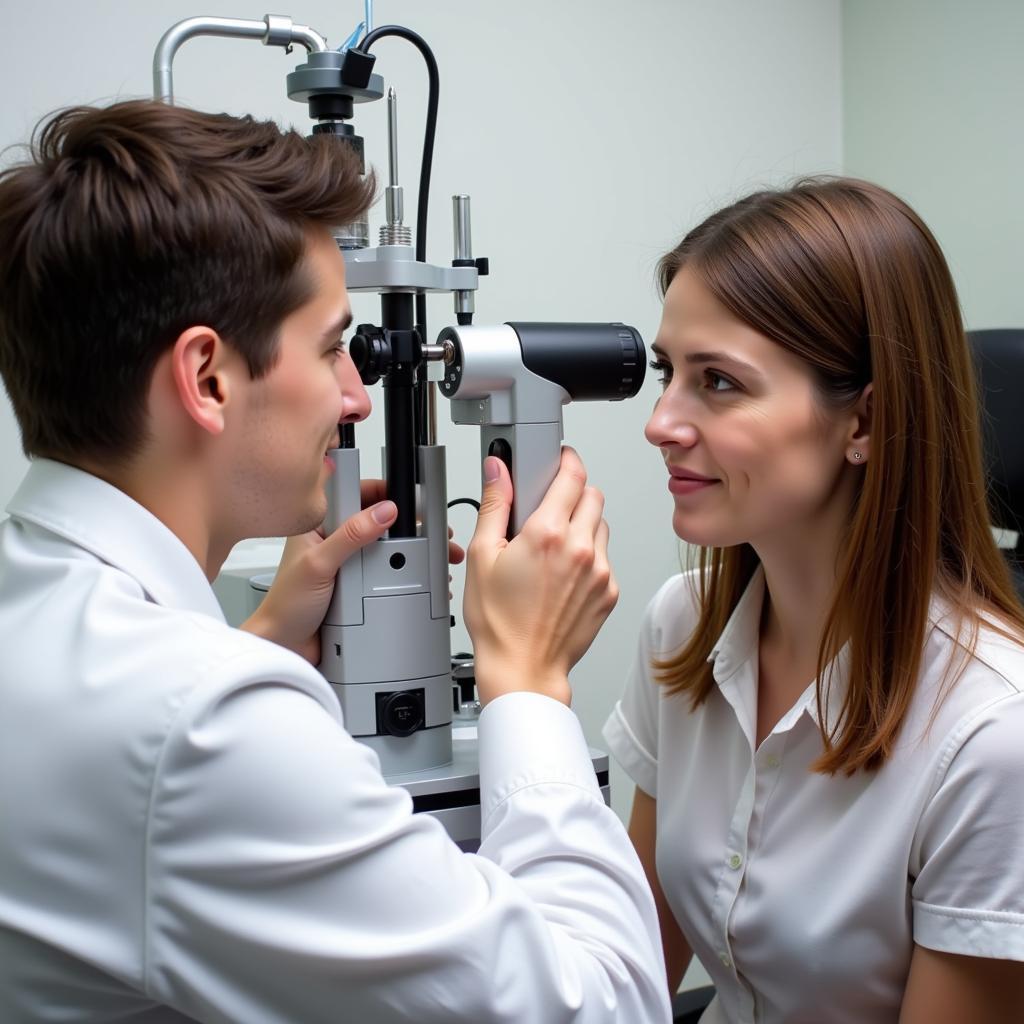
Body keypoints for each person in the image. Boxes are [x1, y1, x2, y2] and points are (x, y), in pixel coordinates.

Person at [0, 100, 671, 1023]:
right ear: (206, 379)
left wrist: (264, 644)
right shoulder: (205, 726)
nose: (358, 397)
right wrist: (528, 680)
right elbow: (602, 1006)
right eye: (329, 350)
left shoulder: (43, 609)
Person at [603, 178, 1024, 1023]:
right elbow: (633, 968)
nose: (660, 422)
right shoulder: (682, 626)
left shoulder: (992, 740)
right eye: (668, 373)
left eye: (718, 382)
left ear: (862, 421)